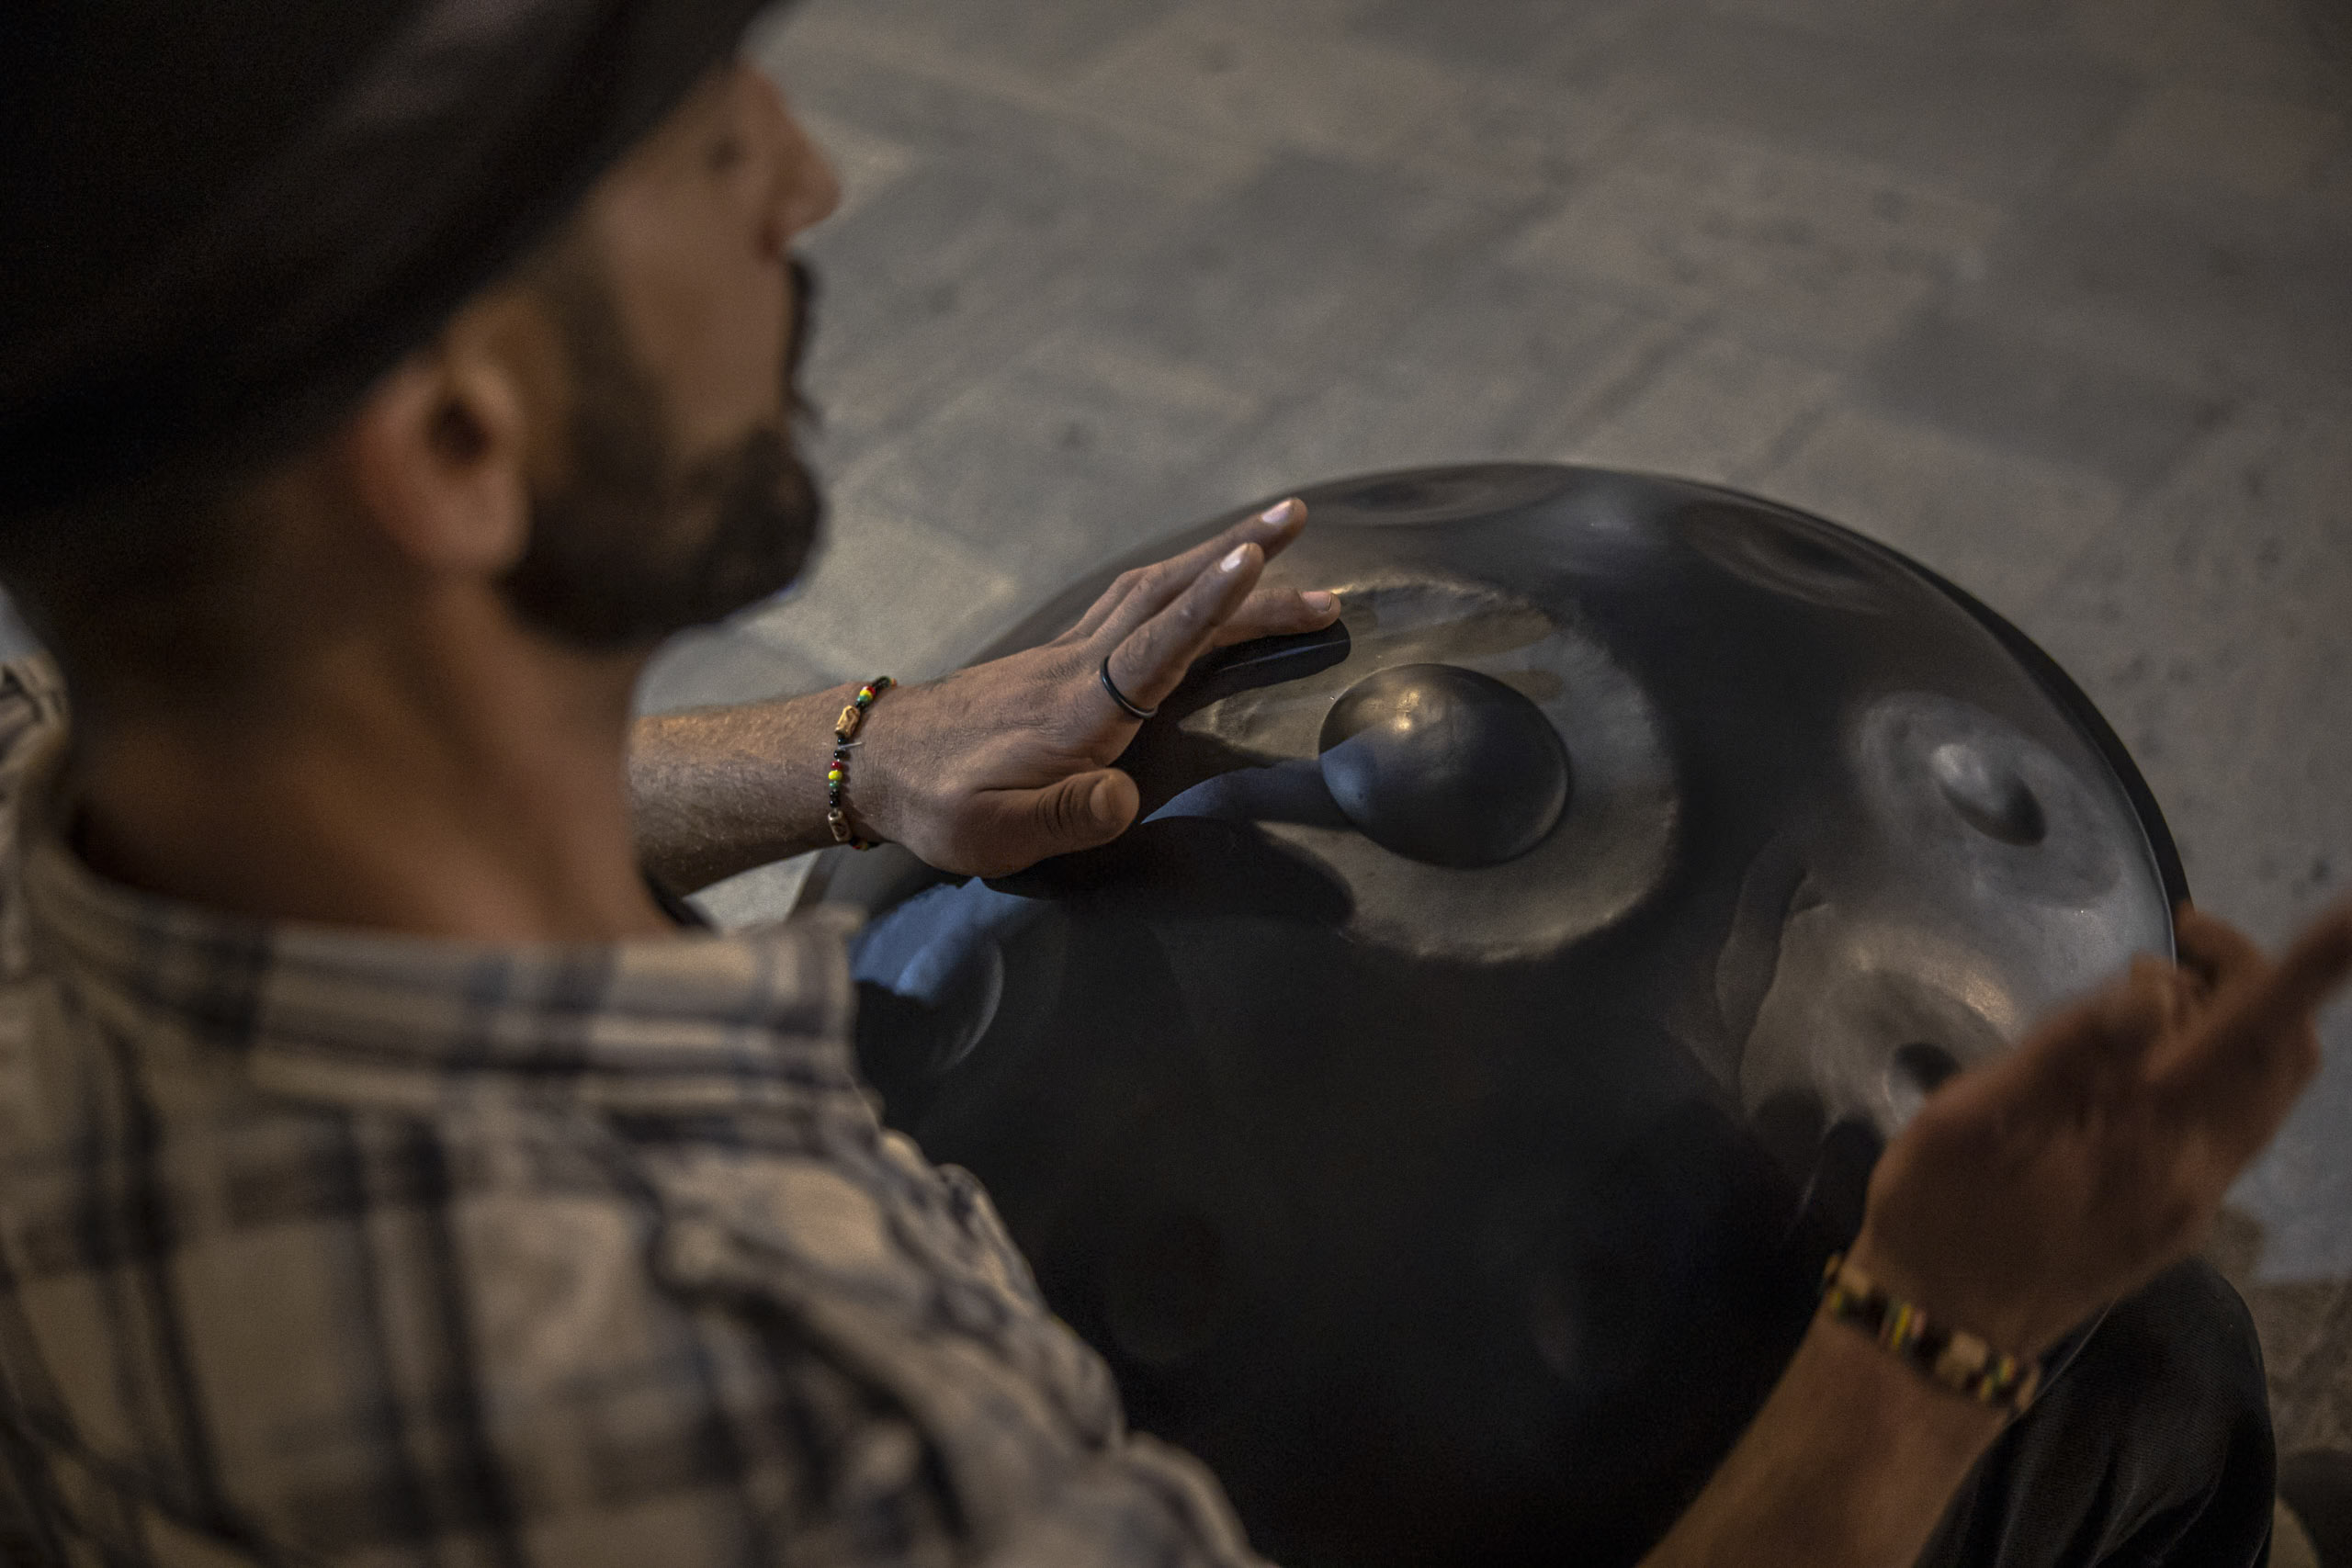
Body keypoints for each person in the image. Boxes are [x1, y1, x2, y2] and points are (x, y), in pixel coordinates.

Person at [0, 3, 2346, 1564]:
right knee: (2131, 1384)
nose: (807, 185)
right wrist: (1931, 1331)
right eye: (711, 144)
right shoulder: (784, 1400)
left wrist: (853, 753)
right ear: (455, 443)